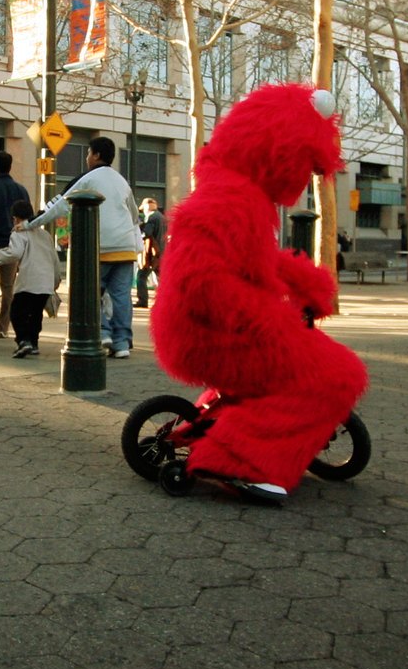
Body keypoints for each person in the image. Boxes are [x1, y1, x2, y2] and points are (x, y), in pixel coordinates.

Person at [149, 85, 365, 505]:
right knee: (335, 375)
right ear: (277, 153)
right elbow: (200, 280)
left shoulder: (242, 195)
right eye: (304, 164)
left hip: (212, 330)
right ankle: (239, 460)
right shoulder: (228, 201)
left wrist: (306, 282)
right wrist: (270, 318)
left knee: (314, 359)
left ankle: (229, 427)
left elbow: (254, 262)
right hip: (208, 334)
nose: (305, 178)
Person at [27, 136, 142, 358]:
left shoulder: (87, 179)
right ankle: (122, 344)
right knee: (121, 297)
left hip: (98, 247)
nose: (88, 158)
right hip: (125, 247)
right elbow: (134, 214)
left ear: (96, 155)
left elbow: (59, 207)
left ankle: (103, 331)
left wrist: (30, 223)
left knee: (89, 293)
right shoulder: (121, 181)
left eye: (89, 153)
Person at [0, 200, 60, 357]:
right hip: (45, 283)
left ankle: (23, 341)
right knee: (36, 314)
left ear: (15, 218)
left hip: (29, 281)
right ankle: (34, 343)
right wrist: (55, 281)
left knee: (17, 312)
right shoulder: (45, 235)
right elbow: (54, 259)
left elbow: (15, 253)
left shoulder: (18, 233)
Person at [0, 151, 33, 337]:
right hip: (13, 244)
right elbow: (28, 219)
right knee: (7, 288)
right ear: (10, 167)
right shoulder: (21, 190)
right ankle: (3, 328)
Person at [135, 197, 166, 308]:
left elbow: (147, 233)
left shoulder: (151, 218)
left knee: (141, 276)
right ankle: (165, 301)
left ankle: (142, 300)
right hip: (162, 251)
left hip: (151, 254)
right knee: (162, 278)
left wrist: (138, 233)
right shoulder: (162, 217)